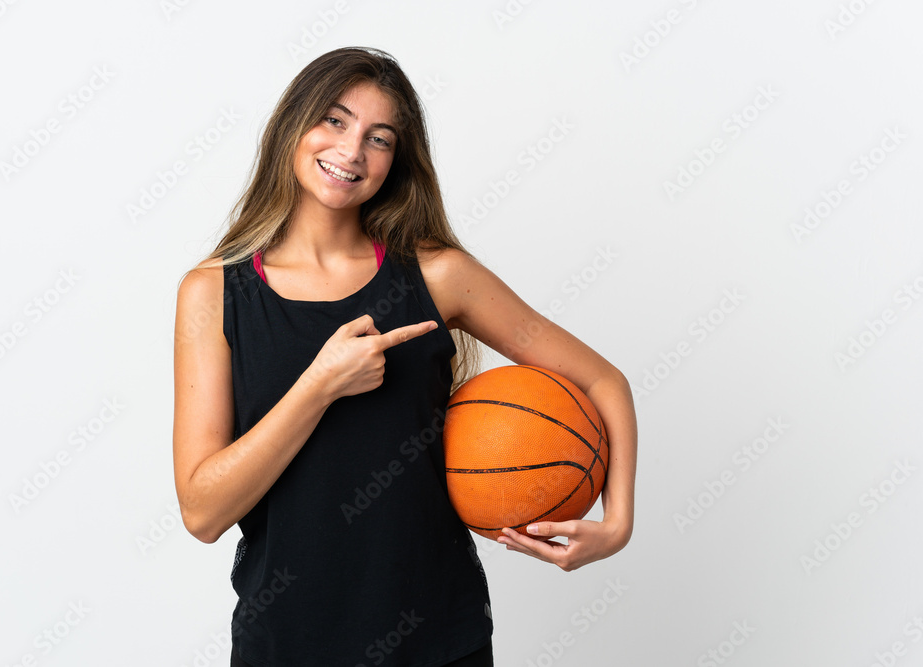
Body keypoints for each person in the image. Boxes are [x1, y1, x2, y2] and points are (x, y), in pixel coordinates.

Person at [172, 46, 637, 667]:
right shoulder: (214, 293)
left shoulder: (438, 276)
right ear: (293, 124)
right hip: (286, 644)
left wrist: (618, 523)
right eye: (334, 120)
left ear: (396, 161)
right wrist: (319, 386)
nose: (351, 150)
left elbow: (604, 380)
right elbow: (202, 512)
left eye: (379, 137)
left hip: (440, 639)